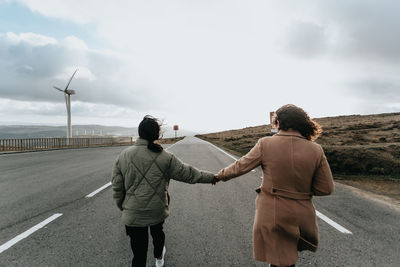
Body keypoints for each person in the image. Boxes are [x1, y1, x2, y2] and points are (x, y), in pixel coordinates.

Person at [215, 104, 334, 267]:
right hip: (302, 215)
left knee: (280, 261)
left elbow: (240, 166)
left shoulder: (265, 144)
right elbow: (326, 188)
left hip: (273, 213)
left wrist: (218, 176)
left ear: (278, 123)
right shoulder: (316, 150)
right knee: (286, 260)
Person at [111, 115, 217, 267]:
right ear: (157, 135)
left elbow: (117, 186)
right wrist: (213, 177)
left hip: (133, 212)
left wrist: (123, 206)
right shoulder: (165, 157)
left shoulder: (124, 155)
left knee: (138, 254)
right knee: (157, 233)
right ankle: (159, 257)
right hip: (157, 209)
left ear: (140, 133)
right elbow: (189, 174)